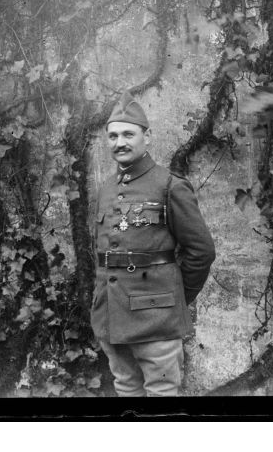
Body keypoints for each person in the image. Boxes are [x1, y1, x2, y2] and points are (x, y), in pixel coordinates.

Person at [91, 91, 216, 397]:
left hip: (157, 321)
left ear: (147, 137)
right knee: (125, 391)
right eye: (113, 136)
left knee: (162, 396)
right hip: (112, 316)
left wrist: (173, 300)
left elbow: (201, 252)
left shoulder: (169, 185)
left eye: (128, 134)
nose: (120, 142)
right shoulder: (106, 190)